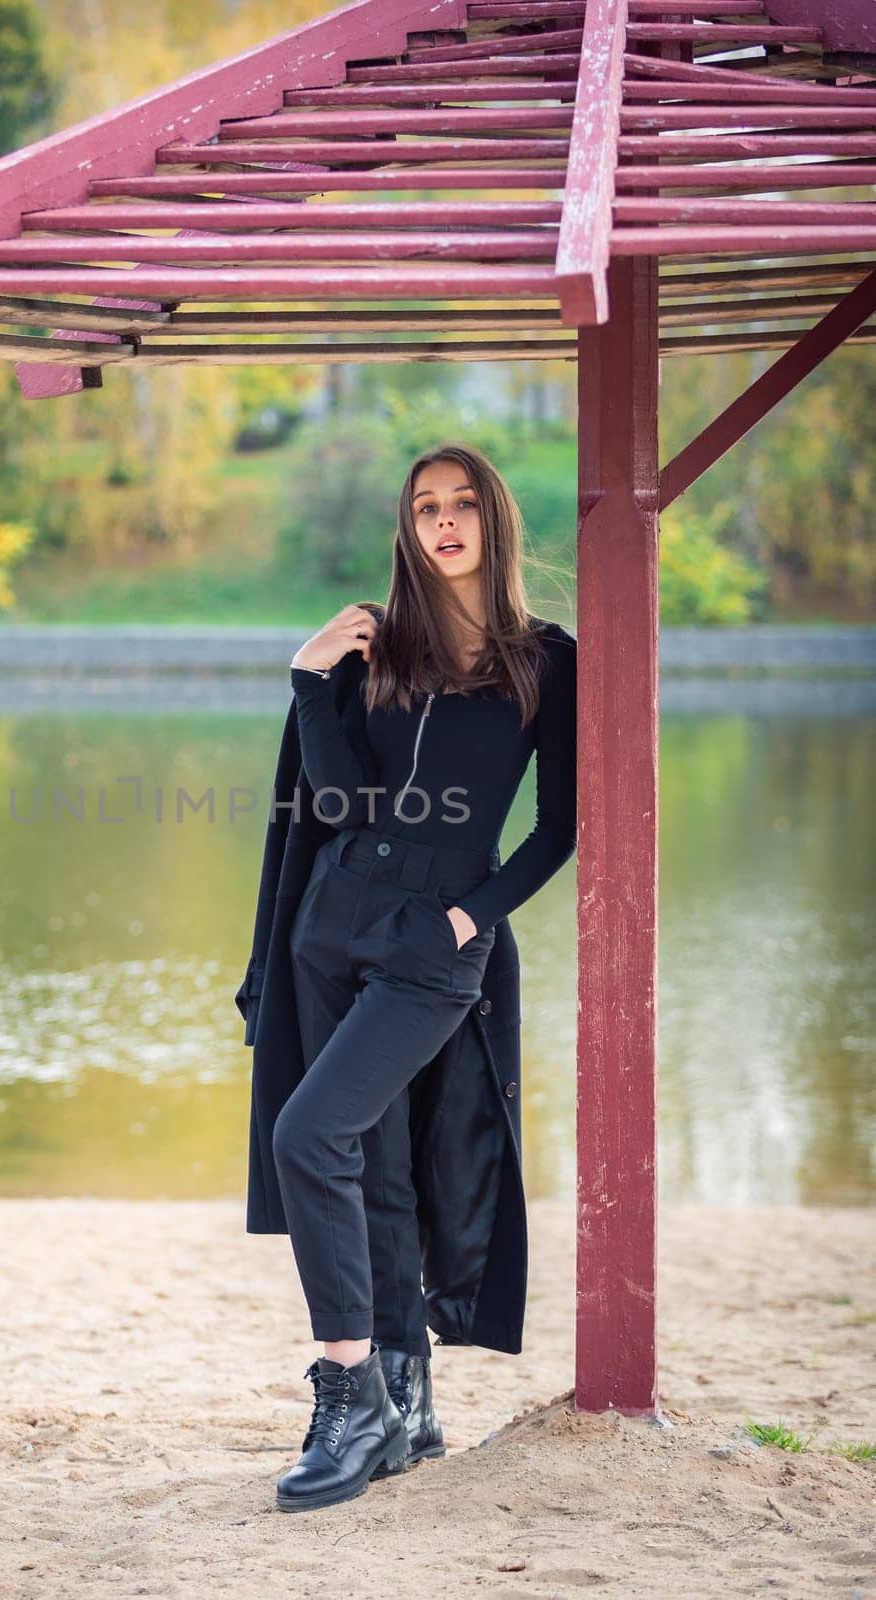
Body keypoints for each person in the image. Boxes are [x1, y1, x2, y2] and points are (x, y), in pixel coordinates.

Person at [264, 441, 577, 1513]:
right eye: (423, 507)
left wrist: (463, 919)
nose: (441, 522)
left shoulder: (545, 657)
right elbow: (341, 800)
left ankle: (347, 1391)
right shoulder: (374, 648)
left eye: (460, 506)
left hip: (434, 944)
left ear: (492, 521)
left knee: (309, 1134)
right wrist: (310, 680)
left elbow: (557, 829)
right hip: (332, 924)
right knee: (372, 1166)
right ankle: (403, 1399)